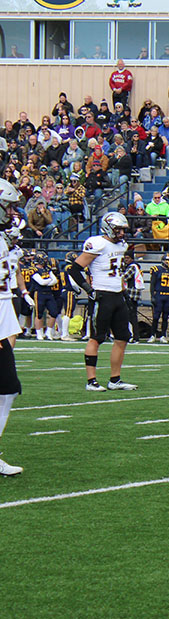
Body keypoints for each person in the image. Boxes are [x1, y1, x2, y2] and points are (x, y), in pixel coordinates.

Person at [67, 212, 138, 392]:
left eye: (123, 230)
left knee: (122, 338)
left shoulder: (122, 245)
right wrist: (90, 290)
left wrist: (123, 292)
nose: (121, 233)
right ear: (108, 227)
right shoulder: (96, 243)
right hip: (102, 295)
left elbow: (119, 270)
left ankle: (115, 380)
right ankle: (91, 381)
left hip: (117, 295)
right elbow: (74, 269)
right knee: (97, 337)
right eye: (118, 230)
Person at [0, 183, 28, 475]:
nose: (12, 212)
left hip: (3, 314)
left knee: (8, 390)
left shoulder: (4, 240)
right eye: (8, 206)